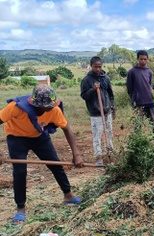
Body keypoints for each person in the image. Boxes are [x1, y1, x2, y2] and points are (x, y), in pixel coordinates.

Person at [0, 85, 84, 224]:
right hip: (16, 137)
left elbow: (67, 128)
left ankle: (68, 195)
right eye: (46, 107)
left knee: (55, 164)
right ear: (35, 105)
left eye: (51, 106)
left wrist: (77, 154)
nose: (50, 109)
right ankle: (20, 208)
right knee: (20, 171)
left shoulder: (54, 109)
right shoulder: (16, 107)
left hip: (39, 136)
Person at [80, 56, 115, 166]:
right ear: (91, 66)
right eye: (95, 67)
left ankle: (110, 155)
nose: (98, 69)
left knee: (109, 133)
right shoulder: (86, 80)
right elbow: (84, 96)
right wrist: (93, 90)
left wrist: (112, 108)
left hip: (107, 111)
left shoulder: (105, 78)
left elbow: (110, 94)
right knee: (97, 136)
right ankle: (99, 158)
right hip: (96, 114)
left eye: (100, 66)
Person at [126, 50, 154, 128]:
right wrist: (133, 99)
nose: (143, 61)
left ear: (147, 59)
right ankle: (138, 140)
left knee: (153, 124)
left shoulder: (149, 71)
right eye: (141, 59)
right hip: (138, 102)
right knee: (138, 125)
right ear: (137, 59)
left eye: (145, 59)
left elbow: (149, 85)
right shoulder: (132, 72)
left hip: (149, 101)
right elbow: (129, 88)